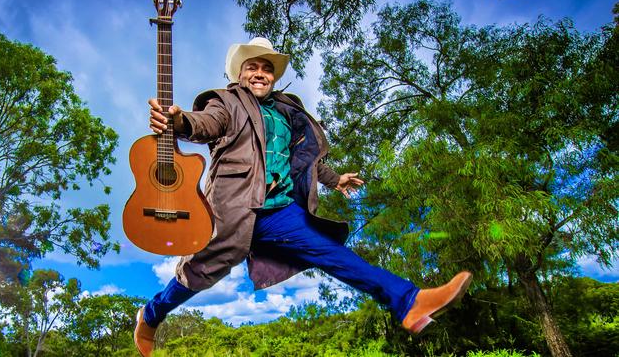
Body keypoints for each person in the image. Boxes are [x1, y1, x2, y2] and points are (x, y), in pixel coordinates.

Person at [134, 37, 472, 356]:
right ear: (240, 73)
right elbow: (205, 122)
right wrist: (179, 121)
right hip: (233, 209)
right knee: (200, 272)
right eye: (253, 67)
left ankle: (409, 302)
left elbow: (303, 160)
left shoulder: (285, 112)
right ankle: (151, 314)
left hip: (279, 211)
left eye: (267, 69)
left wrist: (334, 178)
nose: (260, 74)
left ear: (273, 77)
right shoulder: (227, 102)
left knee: (333, 253)